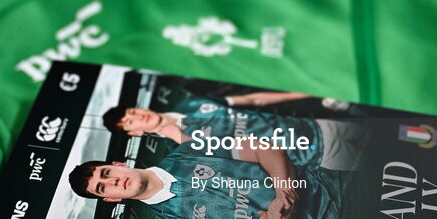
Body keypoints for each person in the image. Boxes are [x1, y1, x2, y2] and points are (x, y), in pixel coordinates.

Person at [69, 137, 361, 219]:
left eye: (106, 173)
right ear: (109, 200)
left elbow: (260, 147)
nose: (112, 182)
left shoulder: (186, 149)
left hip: (336, 185)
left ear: (118, 164)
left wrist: (283, 191)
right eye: (103, 188)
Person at [102, 87, 366, 171]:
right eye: (130, 122)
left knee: (392, 136)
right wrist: (176, 132)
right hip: (314, 157)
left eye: (133, 112)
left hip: (315, 125)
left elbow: (253, 100)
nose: (138, 117)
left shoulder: (190, 102)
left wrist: (301, 93)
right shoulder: (177, 149)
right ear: (134, 133)